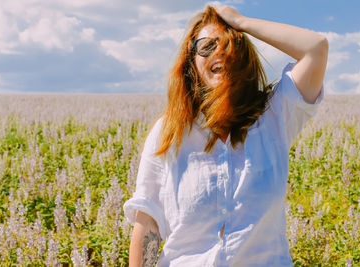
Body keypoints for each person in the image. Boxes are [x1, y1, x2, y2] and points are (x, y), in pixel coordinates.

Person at [124, 4, 328, 267]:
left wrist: (240, 22)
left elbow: (316, 48)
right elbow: (148, 221)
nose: (219, 51)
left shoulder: (274, 117)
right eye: (206, 47)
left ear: (244, 57)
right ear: (191, 63)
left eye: (230, 44)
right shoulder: (169, 131)